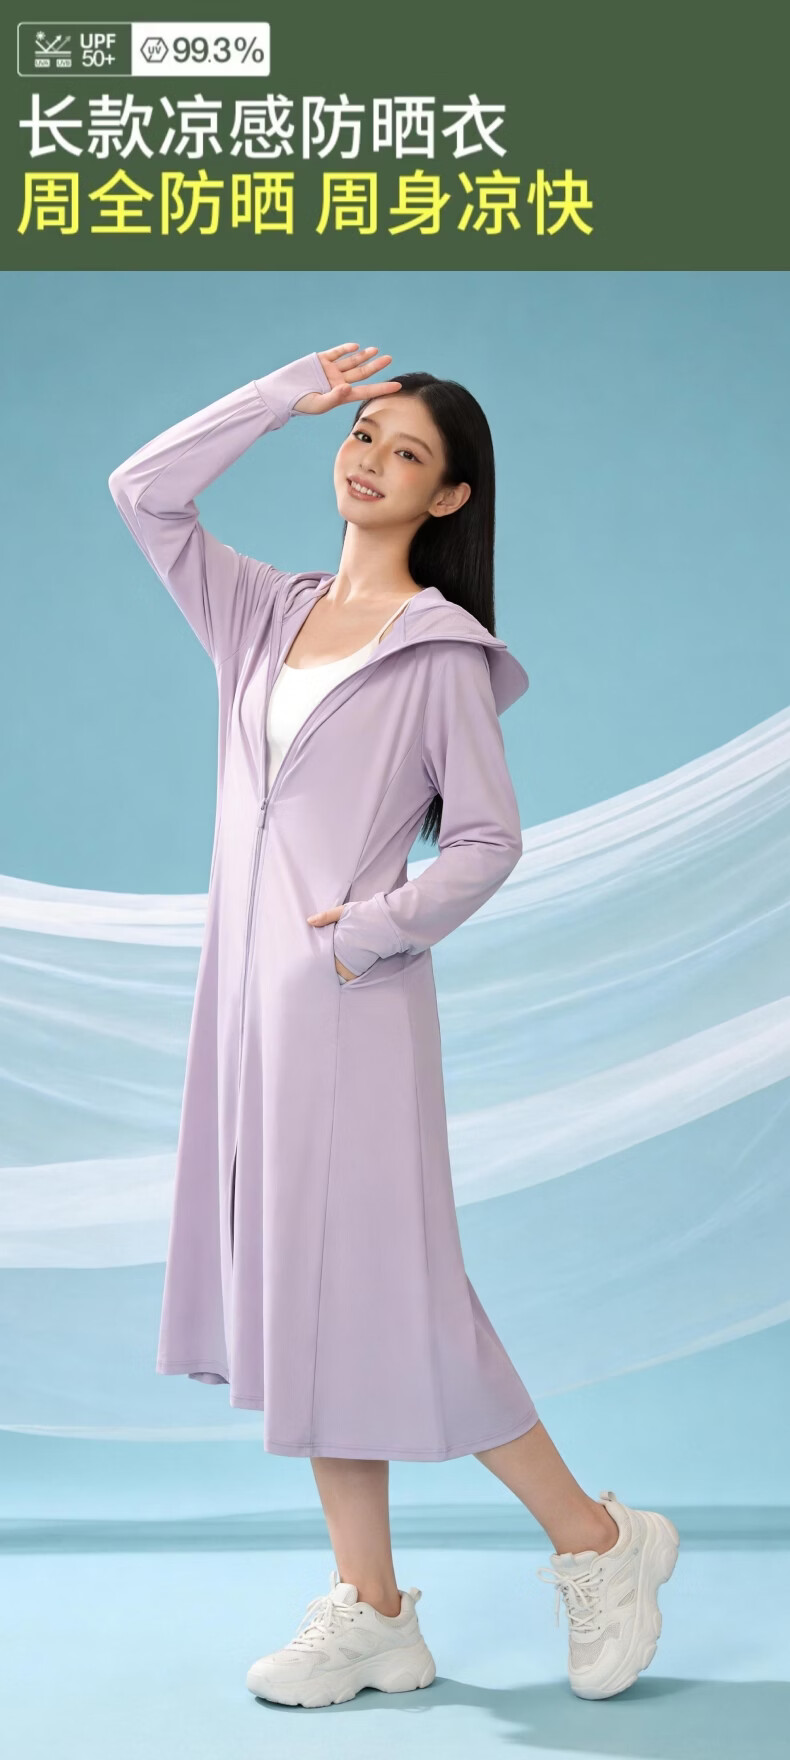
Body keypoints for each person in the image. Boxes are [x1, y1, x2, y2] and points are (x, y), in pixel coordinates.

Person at [108, 341, 679, 1709]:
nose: (369, 459)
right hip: (246, 1021)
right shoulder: (262, 612)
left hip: (355, 1011)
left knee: (398, 1295)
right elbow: (143, 491)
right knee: (305, 1303)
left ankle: (598, 1541)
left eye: (406, 452)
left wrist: (365, 933)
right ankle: (371, 1612)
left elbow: (485, 839)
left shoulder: (440, 654)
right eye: (363, 435)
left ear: (449, 497)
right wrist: (277, 395)